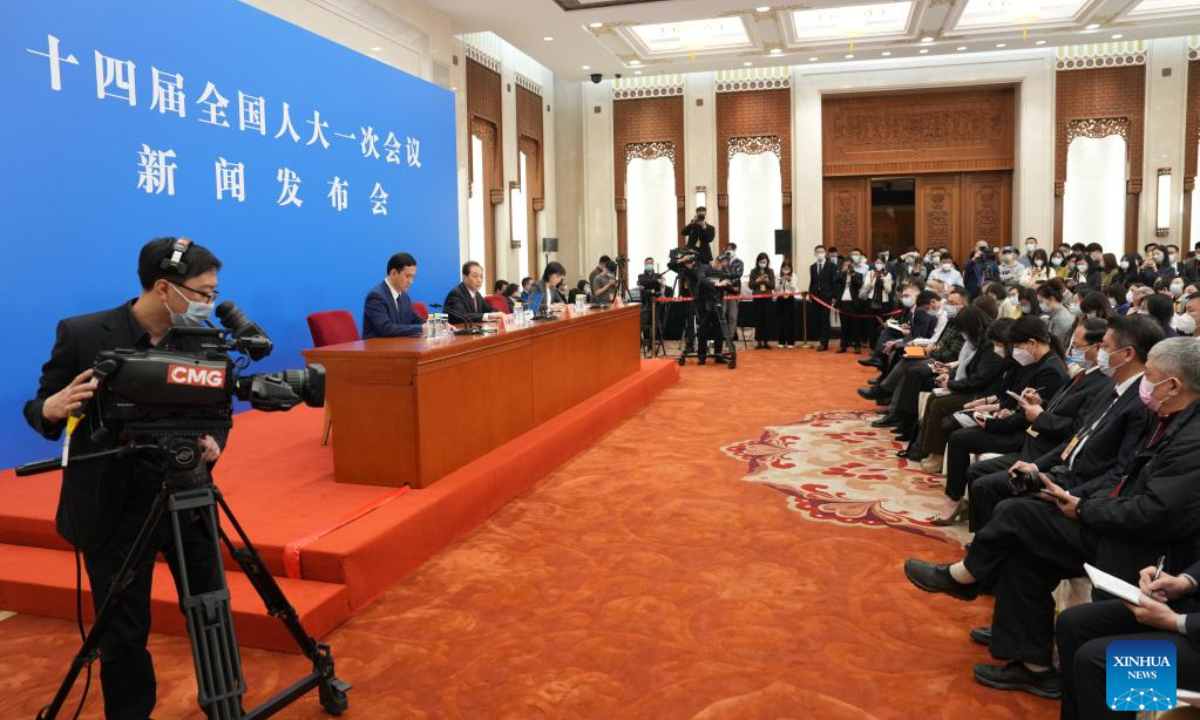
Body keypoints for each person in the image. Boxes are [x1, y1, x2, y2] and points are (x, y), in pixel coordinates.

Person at [904, 336, 1200, 700]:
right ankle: (1034, 667)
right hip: (1135, 541)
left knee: (1019, 517)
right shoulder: (1172, 418)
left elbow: (1154, 512)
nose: (1144, 384)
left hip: (1140, 550)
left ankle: (968, 576)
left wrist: (1084, 508)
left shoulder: (1190, 436)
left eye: (1150, 376)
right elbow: (1127, 481)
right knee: (1026, 552)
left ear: (1172, 385)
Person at [24, 237, 228, 720]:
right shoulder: (83, 334)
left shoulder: (204, 340)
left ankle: (227, 706)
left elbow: (219, 413)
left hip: (187, 493)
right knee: (122, 632)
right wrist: (50, 410)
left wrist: (215, 442)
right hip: (111, 507)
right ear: (164, 288)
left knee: (210, 613)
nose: (209, 305)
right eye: (203, 294)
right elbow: (43, 406)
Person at [668, 248, 736, 369]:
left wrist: (724, 282)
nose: (720, 264)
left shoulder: (702, 266)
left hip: (714, 300)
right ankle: (701, 356)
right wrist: (683, 259)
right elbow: (670, 264)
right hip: (701, 302)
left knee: (719, 328)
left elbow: (708, 279)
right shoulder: (683, 268)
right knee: (703, 329)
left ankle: (718, 354)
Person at [363, 252, 426, 338]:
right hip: (378, 349)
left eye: (413, 277)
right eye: (408, 276)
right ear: (393, 273)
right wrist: (421, 329)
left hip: (398, 347)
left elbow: (415, 319)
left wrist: (435, 326)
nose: (411, 282)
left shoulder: (404, 296)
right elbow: (386, 328)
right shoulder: (376, 297)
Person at [833, 256, 864, 354]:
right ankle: (843, 345)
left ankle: (857, 346)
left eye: (849, 265)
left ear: (853, 265)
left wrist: (853, 275)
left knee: (856, 326)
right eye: (845, 264)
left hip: (853, 303)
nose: (847, 266)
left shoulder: (858, 275)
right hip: (843, 302)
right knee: (844, 326)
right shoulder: (840, 274)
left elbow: (859, 284)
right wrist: (842, 271)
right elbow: (835, 280)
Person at [809, 245, 837, 351]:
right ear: (815, 253)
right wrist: (811, 294)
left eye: (822, 251)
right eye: (818, 252)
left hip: (827, 296)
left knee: (824, 320)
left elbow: (834, 282)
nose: (820, 253)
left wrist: (834, 296)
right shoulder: (812, 267)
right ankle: (820, 340)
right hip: (816, 296)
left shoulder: (831, 266)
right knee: (818, 320)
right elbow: (813, 282)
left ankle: (824, 344)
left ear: (825, 253)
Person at [722, 244, 745, 356]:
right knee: (722, 315)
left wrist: (728, 282)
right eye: (727, 249)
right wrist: (728, 283)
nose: (729, 251)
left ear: (735, 250)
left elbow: (737, 275)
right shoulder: (723, 261)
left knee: (732, 316)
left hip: (734, 293)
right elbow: (720, 275)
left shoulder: (739, 262)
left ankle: (729, 339)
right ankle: (723, 337)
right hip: (723, 292)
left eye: (731, 249)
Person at [749, 252, 776, 349]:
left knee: (767, 319)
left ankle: (766, 341)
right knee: (758, 319)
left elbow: (773, 285)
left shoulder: (770, 271)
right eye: (761, 261)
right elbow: (750, 285)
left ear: (767, 262)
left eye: (765, 261)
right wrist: (757, 280)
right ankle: (759, 341)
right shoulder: (753, 271)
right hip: (757, 297)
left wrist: (766, 281)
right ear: (758, 262)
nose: (763, 263)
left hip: (767, 297)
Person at [776, 262, 799, 348]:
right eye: (784, 268)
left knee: (790, 320)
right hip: (780, 298)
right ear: (781, 268)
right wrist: (781, 282)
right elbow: (776, 289)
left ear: (790, 268)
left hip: (790, 298)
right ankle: (781, 341)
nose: (786, 270)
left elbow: (793, 289)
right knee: (781, 320)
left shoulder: (794, 275)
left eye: (787, 268)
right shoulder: (777, 275)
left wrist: (789, 281)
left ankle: (790, 342)